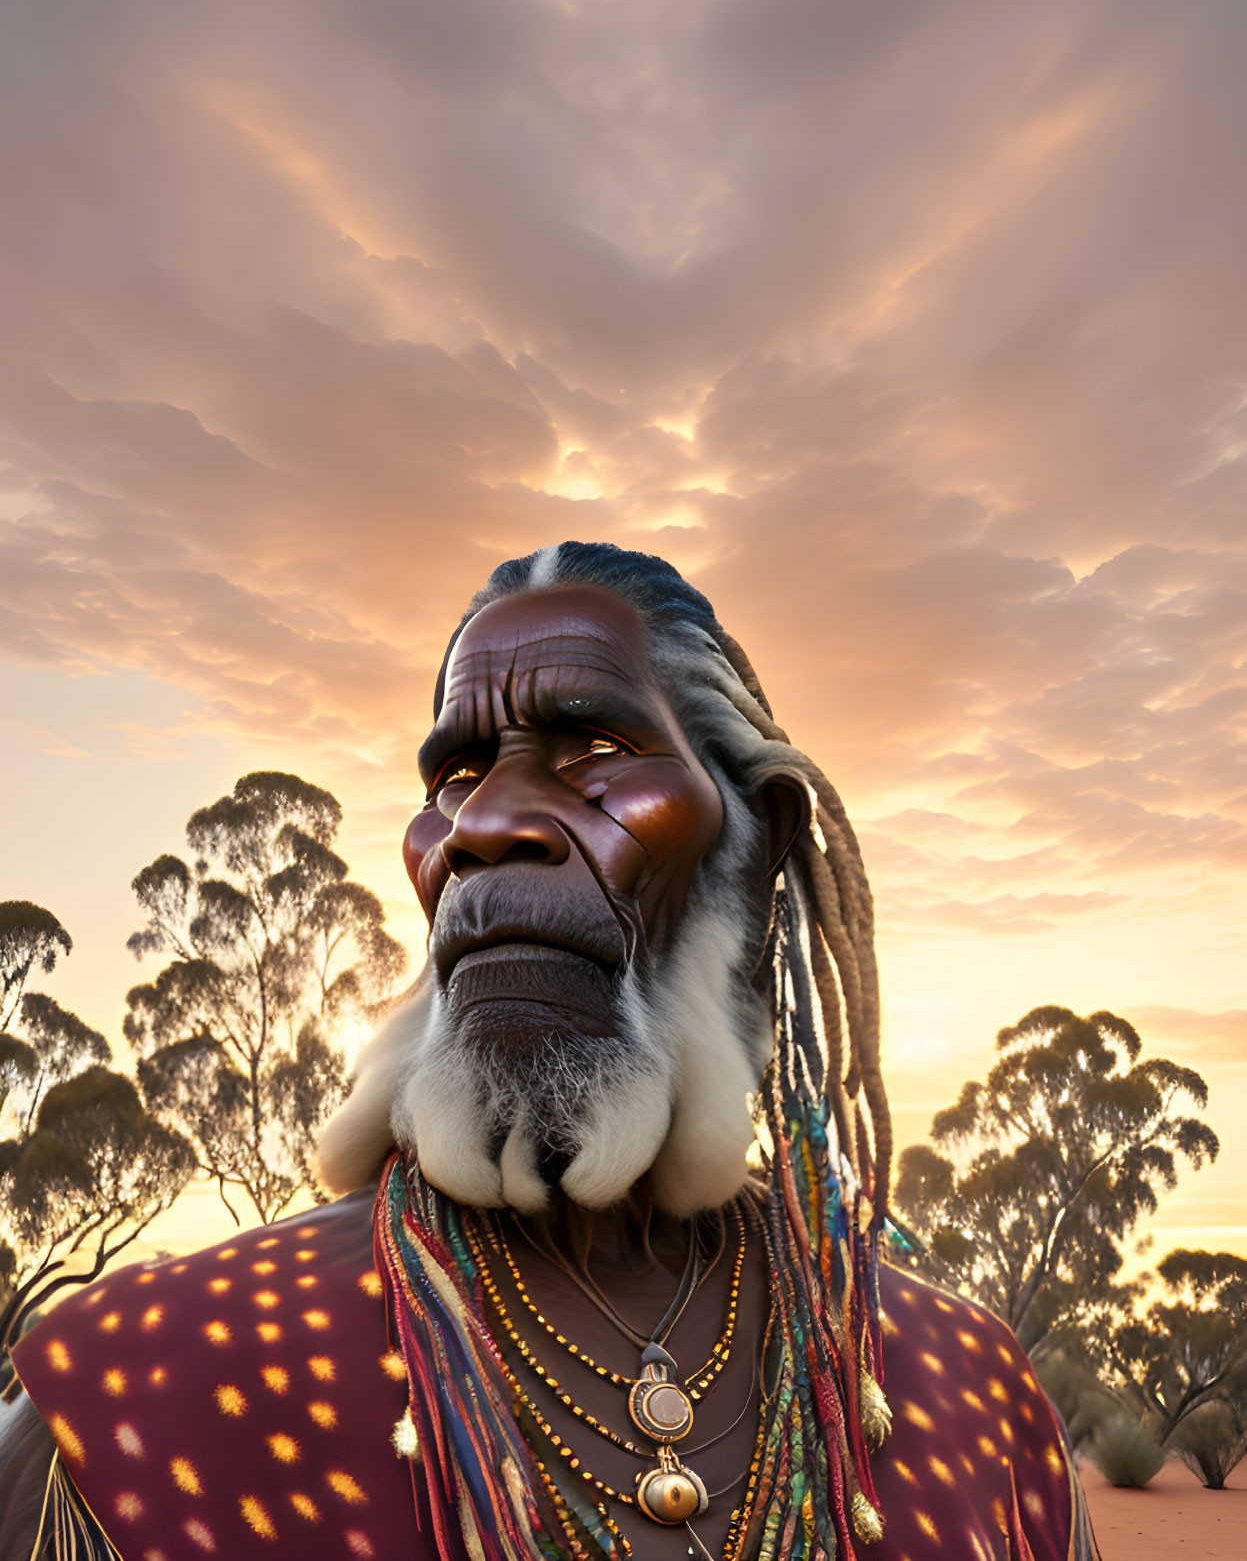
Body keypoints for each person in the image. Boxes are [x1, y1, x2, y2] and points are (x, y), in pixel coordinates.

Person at [0, 543, 1100, 1560]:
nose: (482, 822)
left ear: (751, 837)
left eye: (596, 748)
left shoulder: (967, 1398)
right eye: (454, 775)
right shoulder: (145, 1396)